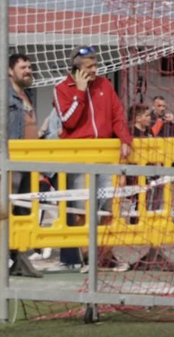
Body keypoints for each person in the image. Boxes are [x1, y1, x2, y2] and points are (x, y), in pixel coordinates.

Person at [55, 46, 132, 272]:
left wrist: (125, 139)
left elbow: (118, 113)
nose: (95, 70)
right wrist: (79, 92)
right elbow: (68, 121)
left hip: (105, 157)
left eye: (95, 65)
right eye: (89, 66)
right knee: (81, 210)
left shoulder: (105, 85)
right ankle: (87, 257)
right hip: (78, 160)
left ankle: (106, 256)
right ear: (77, 70)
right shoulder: (61, 88)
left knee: (108, 208)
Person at [0, 53, 44, 278]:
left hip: (29, 163)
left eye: (30, 67)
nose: (28, 70)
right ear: (10, 71)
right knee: (6, 210)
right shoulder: (0, 95)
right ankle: (2, 257)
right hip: (10, 162)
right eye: (23, 67)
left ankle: (20, 258)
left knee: (25, 210)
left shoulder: (29, 94)